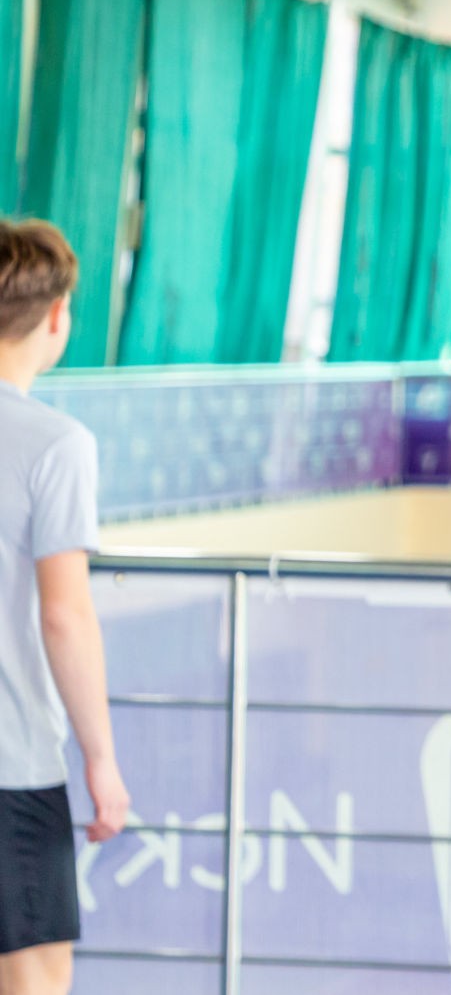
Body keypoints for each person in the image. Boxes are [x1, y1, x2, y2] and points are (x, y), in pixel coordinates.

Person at [0, 220, 130, 995]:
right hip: (11, 764)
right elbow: (65, 615)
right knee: (35, 977)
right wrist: (100, 758)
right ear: (55, 316)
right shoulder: (55, 443)